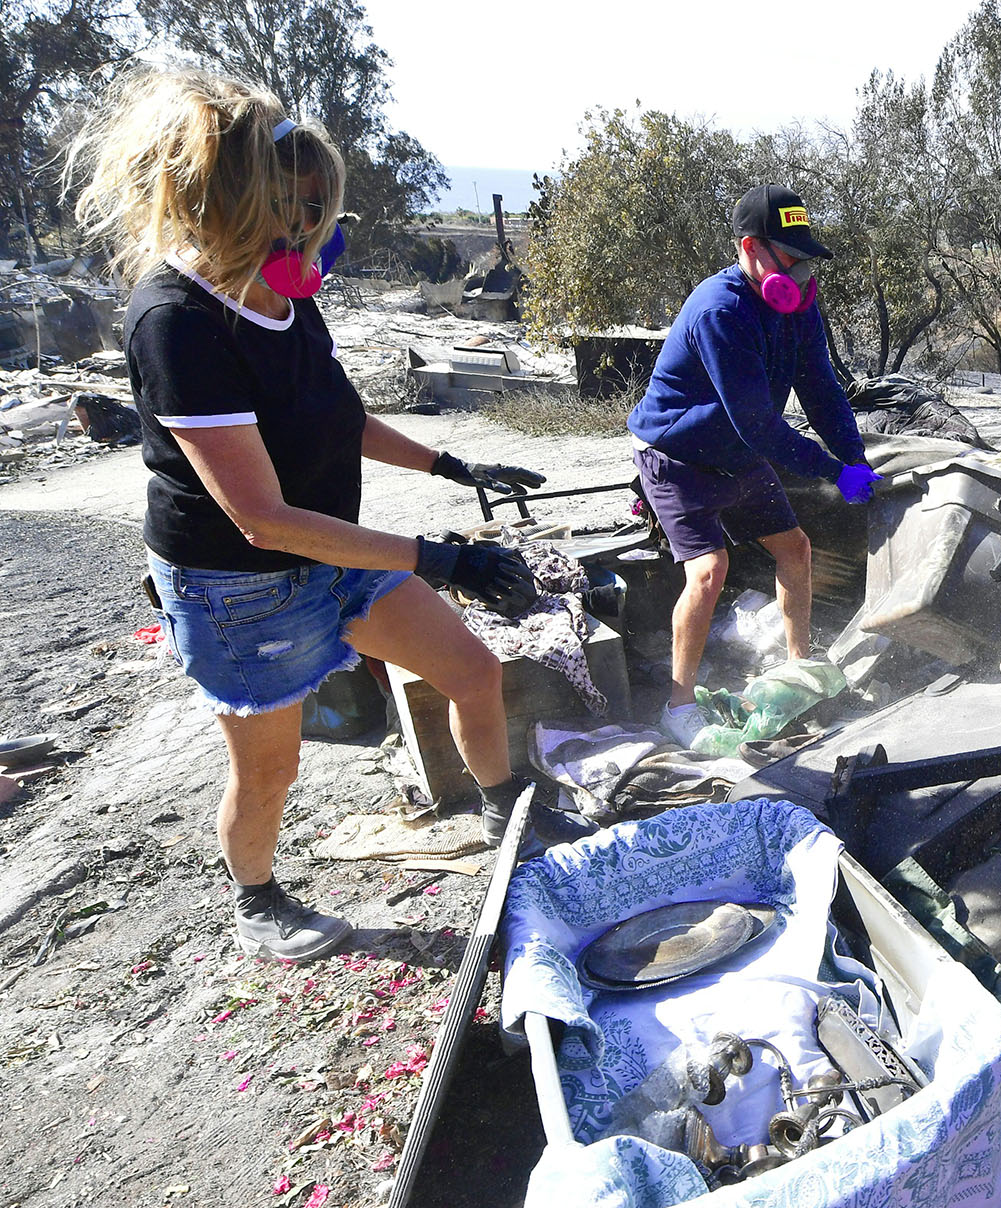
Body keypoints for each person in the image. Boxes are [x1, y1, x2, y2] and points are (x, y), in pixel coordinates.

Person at [69, 70, 590, 963]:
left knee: (470, 669)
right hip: (238, 587)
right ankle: (258, 900)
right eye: (297, 208)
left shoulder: (289, 296)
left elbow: (337, 417)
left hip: (334, 550)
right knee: (271, 770)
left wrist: (452, 463)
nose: (316, 230)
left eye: (320, 208)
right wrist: (441, 559)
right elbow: (262, 519)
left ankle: (512, 821)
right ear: (233, 203)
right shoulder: (178, 322)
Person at [628, 184, 882, 746]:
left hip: (737, 453)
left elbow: (821, 388)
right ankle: (677, 705)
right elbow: (759, 424)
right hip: (679, 458)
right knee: (709, 571)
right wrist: (830, 471)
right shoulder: (721, 311)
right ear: (750, 249)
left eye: (806, 260)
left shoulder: (799, 304)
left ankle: (800, 666)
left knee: (795, 547)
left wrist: (855, 458)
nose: (799, 273)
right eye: (789, 259)